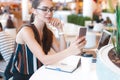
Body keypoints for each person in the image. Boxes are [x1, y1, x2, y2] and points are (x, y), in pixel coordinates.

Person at [7, 0, 86, 80]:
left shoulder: (47, 32)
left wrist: (60, 29)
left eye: (51, 9)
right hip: (24, 77)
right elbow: (45, 60)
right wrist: (70, 50)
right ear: (34, 10)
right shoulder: (26, 31)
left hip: (40, 73)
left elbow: (61, 51)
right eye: (44, 9)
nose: (49, 13)